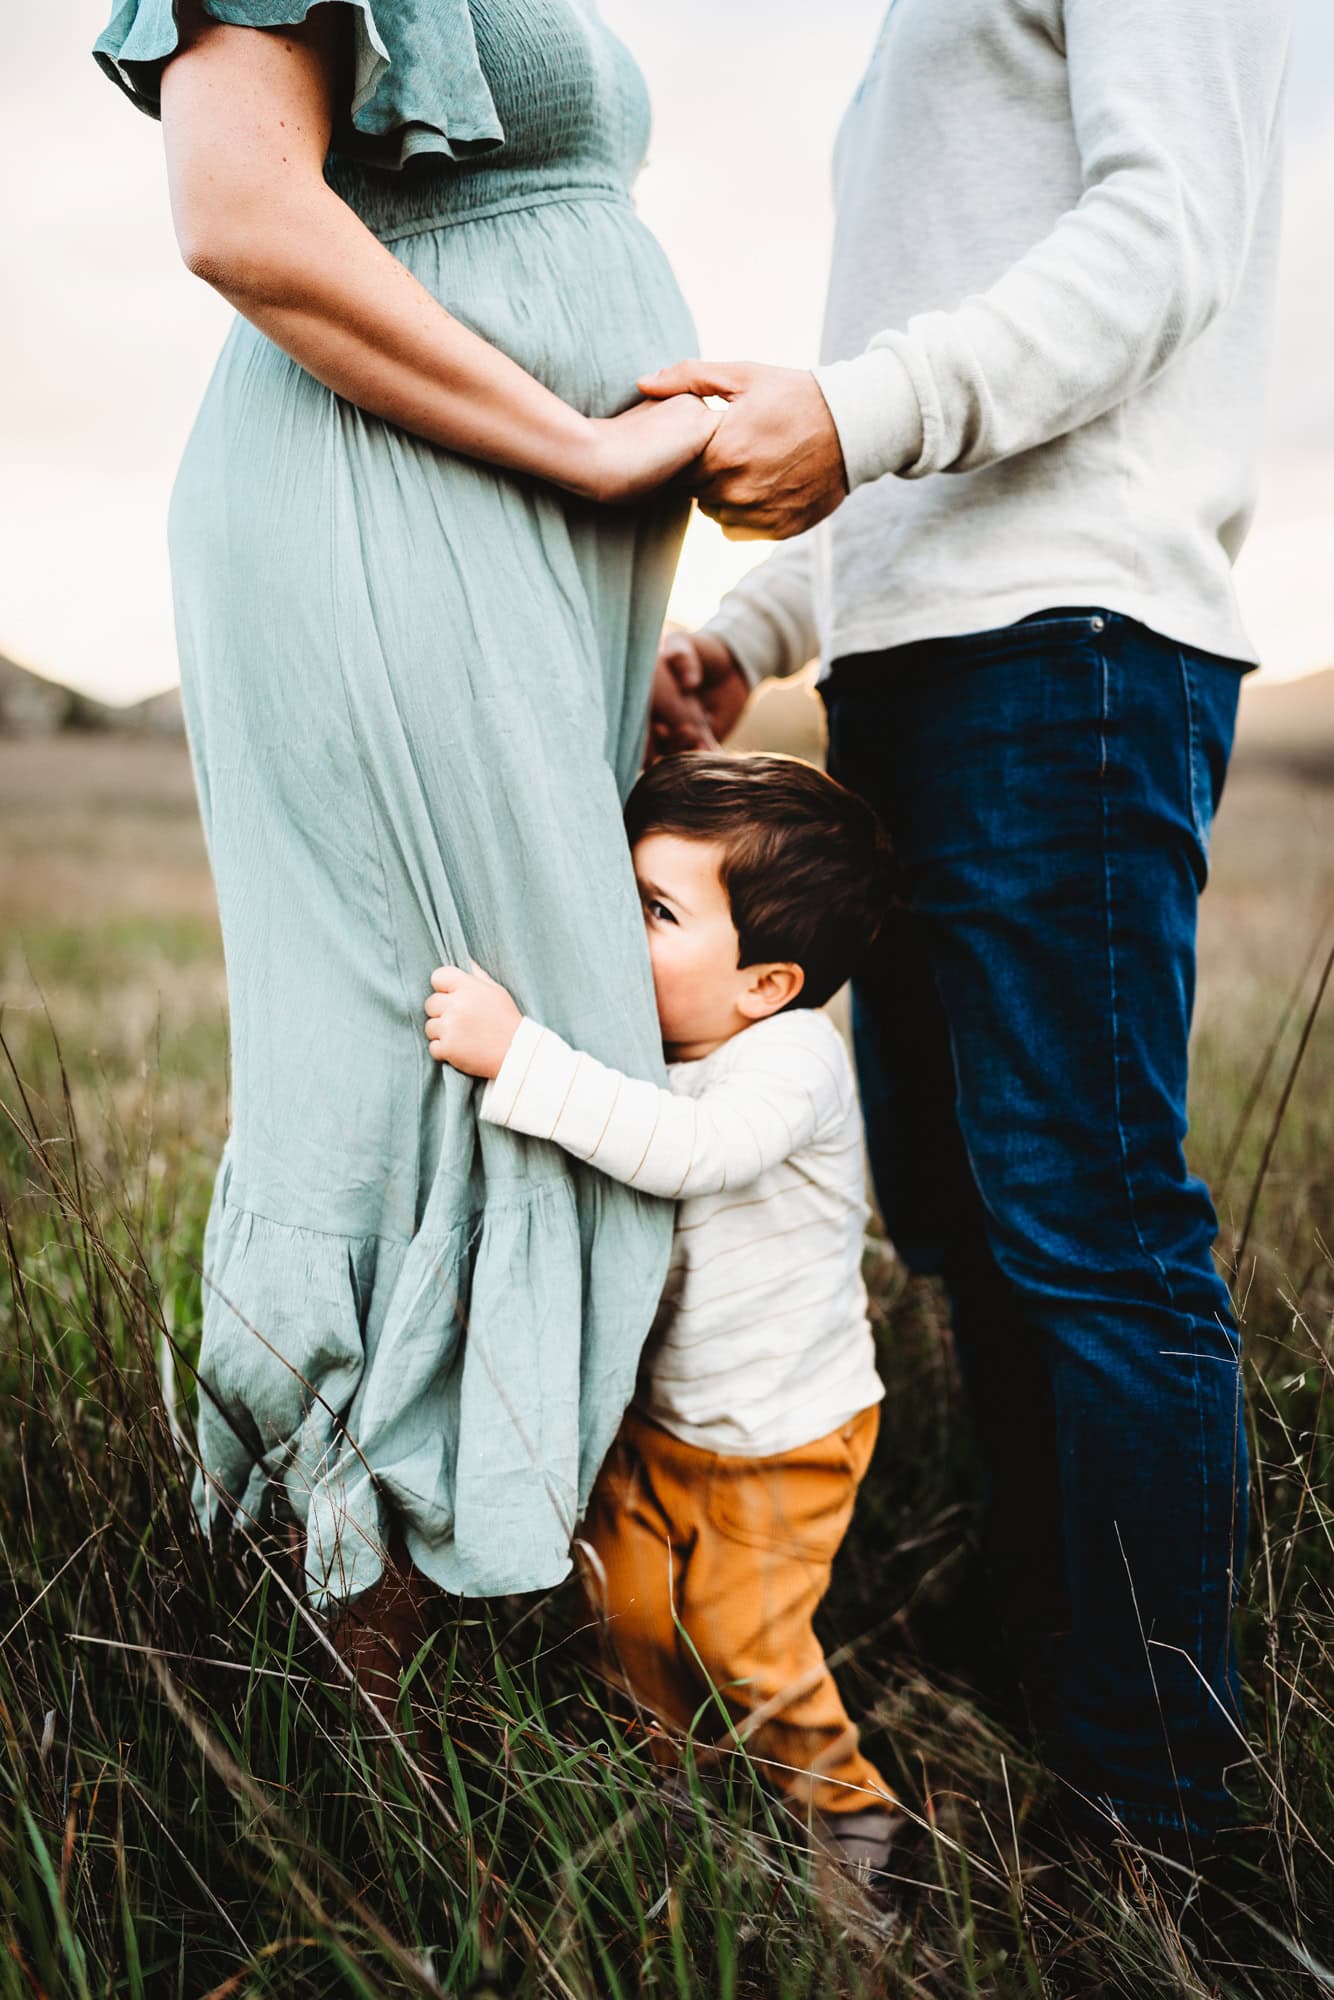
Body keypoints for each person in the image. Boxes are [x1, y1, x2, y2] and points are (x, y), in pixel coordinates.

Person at [648, 0, 1293, 1858]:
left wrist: (849, 410)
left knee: (1081, 1230)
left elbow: (1163, 234)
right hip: (921, 665)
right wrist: (752, 631)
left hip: (1068, 651)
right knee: (963, 1224)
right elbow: (920, 429)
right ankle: (1054, 1689)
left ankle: (1159, 1836)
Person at [91, 0, 718, 1687]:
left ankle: (490, 1654)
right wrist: (583, 447)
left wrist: (600, 606)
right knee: (430, 1079)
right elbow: (237, 206)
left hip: (498, 550)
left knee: (530, 1065)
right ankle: (340, 1731)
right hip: (382, 512)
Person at [423, 753, 901, 1880]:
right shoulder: (655, 1036)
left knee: (743, 1640)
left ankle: (851, 1819)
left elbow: (687, 1151)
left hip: (781, 1436)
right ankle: (666, 1788)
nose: (612, 924)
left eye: (652, 910)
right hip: (661, 1422)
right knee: (623, 1609)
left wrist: (518, 1052)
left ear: (765, 983)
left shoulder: (792, 1060)